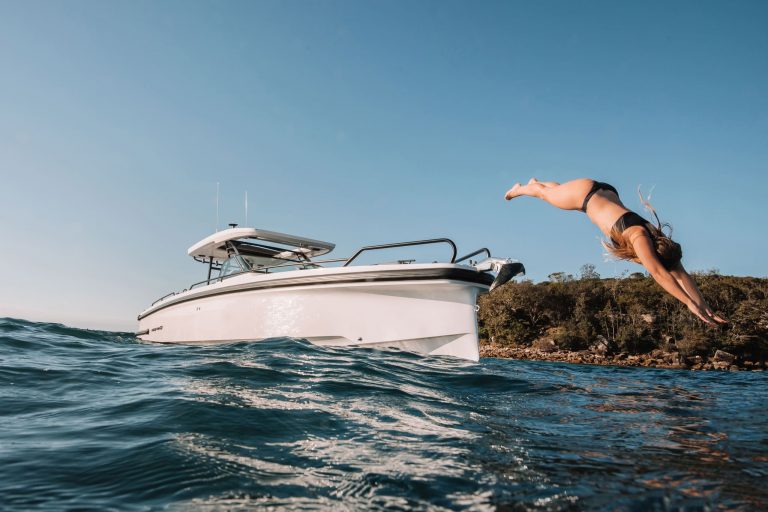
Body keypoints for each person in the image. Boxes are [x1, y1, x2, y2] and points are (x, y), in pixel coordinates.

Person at [505, 178, 726, 326]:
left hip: (602, 192)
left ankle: (536, 183)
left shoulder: (654, 235)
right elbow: (661, 274)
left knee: (554, 191)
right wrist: (688, 303)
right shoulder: (638, 236)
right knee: (544, 195)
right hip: (585, 196)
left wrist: (704, 307)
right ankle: (521, 189)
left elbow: (680, 274)